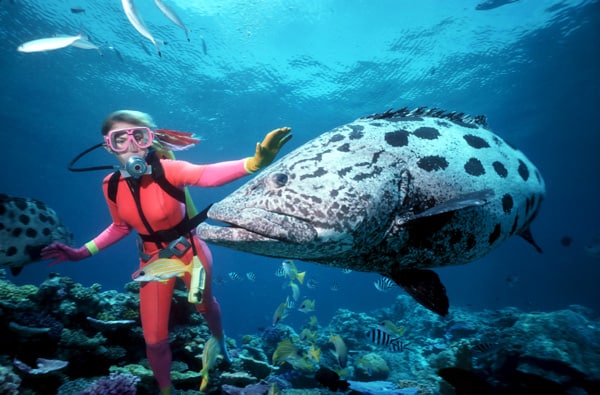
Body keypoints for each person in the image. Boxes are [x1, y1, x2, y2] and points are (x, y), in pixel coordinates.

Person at [41, 110, 292, 395]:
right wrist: (78, 253)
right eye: (120, 139)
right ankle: (166, 390)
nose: (132, 145)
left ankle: (219, 341)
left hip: (191, 252)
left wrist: (254, 163)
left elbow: (205, 174)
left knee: (204, 305)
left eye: (139, 136)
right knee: (155, 340)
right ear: (108, 146)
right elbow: (119, 227)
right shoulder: (109, 185)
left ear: (150, 140)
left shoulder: (168, 170)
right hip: (151, 262)